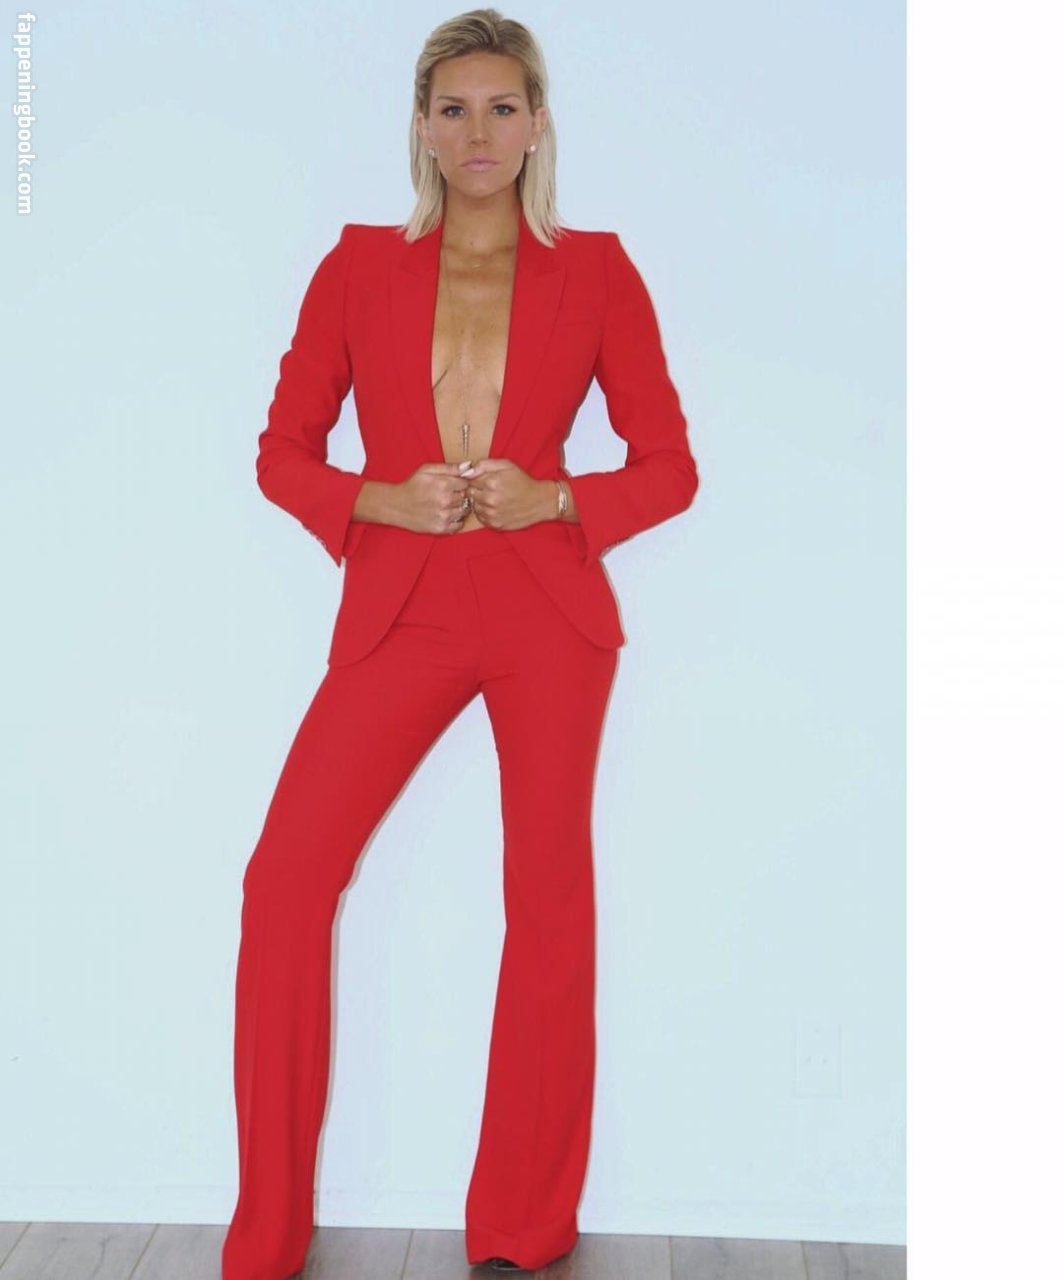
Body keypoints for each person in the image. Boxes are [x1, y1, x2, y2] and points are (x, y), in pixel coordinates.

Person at [221, 8, 699, 1278]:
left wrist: (560, 497)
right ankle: (265, 1232)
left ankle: (523, 1228)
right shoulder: (354, 266)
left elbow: (668, 465)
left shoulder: (597, 271)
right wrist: (378, 498)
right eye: (453, 109)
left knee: (546, 902)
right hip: (404, 604)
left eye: (501, 108)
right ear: (421, 129)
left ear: (537, 125)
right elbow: (281, 451)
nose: (477, 133)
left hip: (547, 609)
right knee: (284, 880)